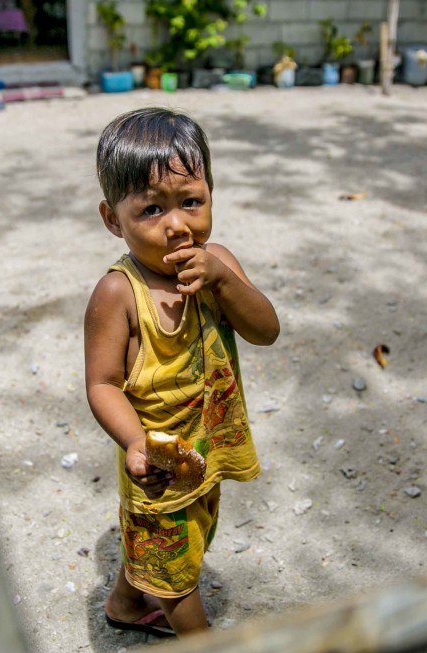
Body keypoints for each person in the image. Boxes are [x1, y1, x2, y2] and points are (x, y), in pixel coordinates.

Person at [84, 107, 280, 637]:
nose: (176, 226)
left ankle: (124, 606)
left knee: (188, 538)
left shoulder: (218, 262)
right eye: (151, 209)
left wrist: (224, 282)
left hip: (208, 448)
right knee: (175, 576)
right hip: (158, 466)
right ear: (112, 219)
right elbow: (102, 383)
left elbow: (266, 331)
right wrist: (133, 442)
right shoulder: (118, 292)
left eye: (191, 202)